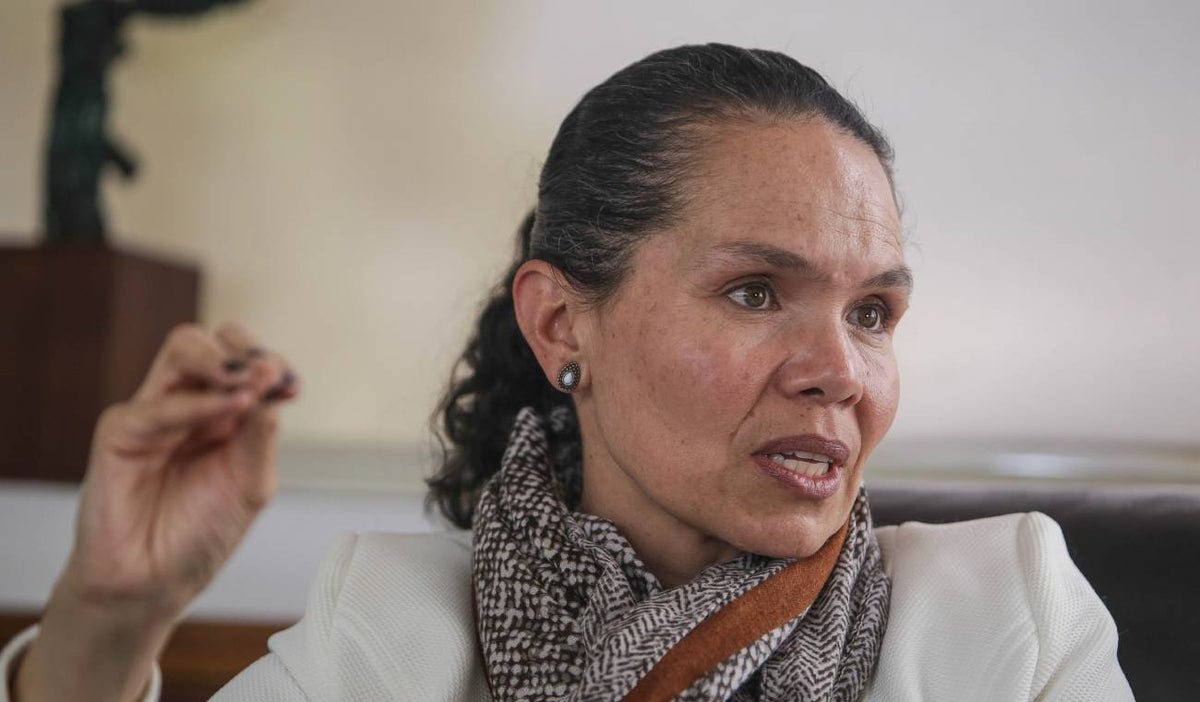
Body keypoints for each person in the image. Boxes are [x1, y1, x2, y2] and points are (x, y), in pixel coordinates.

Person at [2, 43, 1133, 701]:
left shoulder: (1011, 613)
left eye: (873, 312)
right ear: (558, 325)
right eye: (755, 292)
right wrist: (112, 608)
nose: (840, 370)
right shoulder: (384, 630)